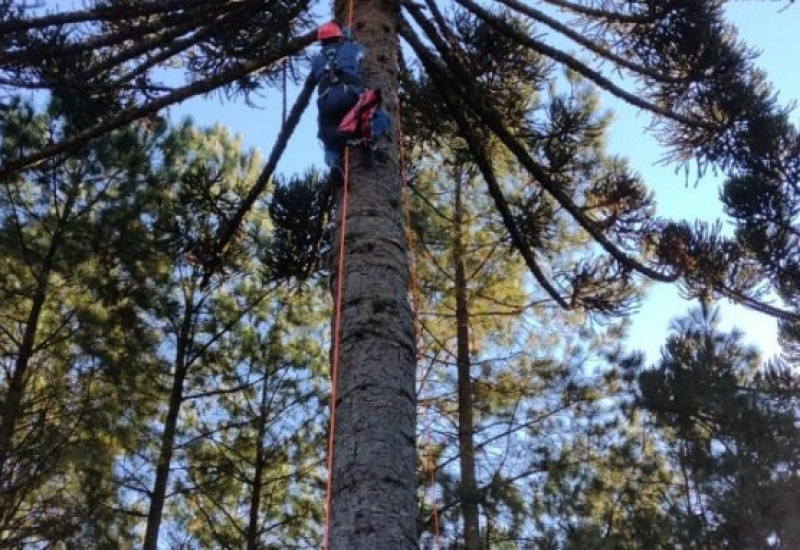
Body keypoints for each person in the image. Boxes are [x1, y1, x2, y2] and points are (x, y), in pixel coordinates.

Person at [310, 21, 391, 182]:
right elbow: (362, 53)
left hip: (326, 102)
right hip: (349, 95)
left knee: (329, 140)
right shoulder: (348, 48)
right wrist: (349, 40)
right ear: (339, 37)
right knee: (381, 116)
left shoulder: (317, 59)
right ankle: (371, 134)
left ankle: (333, 163)